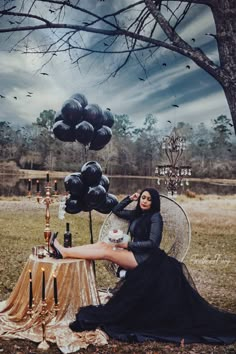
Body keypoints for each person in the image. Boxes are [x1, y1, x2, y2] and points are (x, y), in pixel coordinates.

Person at [50, 188, 236, 345]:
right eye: (142, 198)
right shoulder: (137, 214)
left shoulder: (155, 217)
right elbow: (116, 210)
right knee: (103, 246)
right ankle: (65, 251)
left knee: (107, 251)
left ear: (153, 202)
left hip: (147, 260)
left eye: (148, 199)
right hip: (136, 254)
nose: (144, 201)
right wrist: (129, 199)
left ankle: (64, 251)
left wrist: (127, 245)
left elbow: (153, 243)